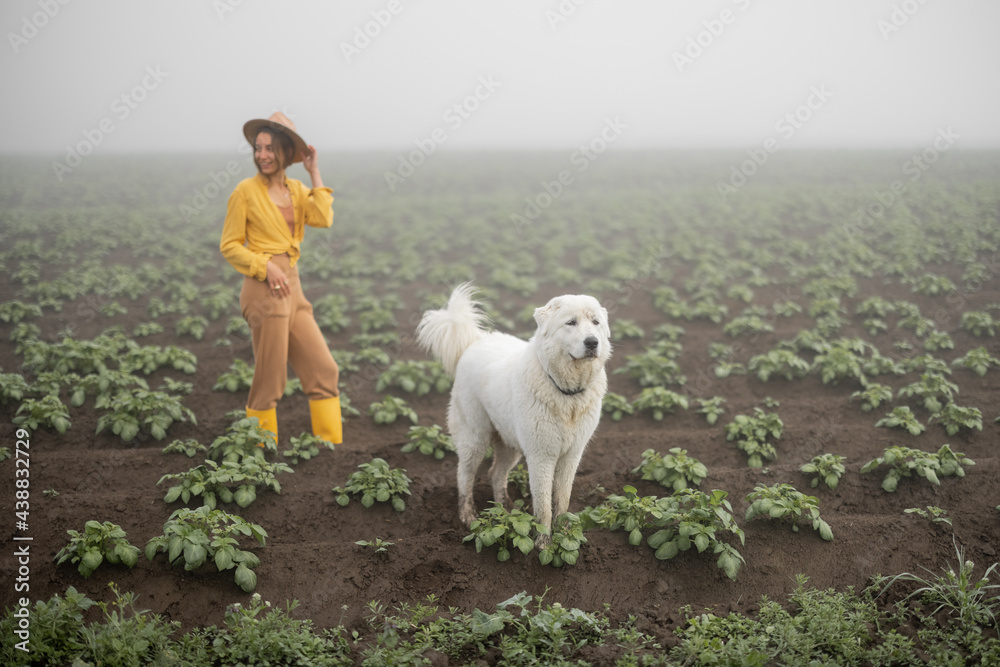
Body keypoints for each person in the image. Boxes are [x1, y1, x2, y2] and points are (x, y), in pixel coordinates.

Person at [220, 111, 342, 446]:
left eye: (271, 148)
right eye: (258, 148)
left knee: (324, 370)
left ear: (286, 151)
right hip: (264, 290)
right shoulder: (245, 192)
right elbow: (229, 245)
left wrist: (314, 171)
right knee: (270, 380)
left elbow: (323, 217)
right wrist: (265, 266)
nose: (263, 155)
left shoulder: (298, 190)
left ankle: (330, 450)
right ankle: (259, 452)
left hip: (293, 289)